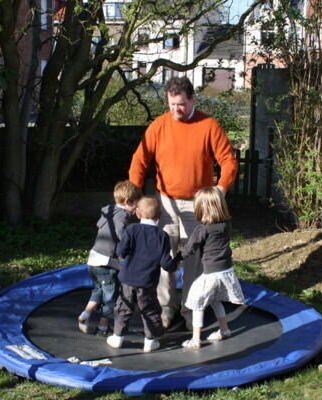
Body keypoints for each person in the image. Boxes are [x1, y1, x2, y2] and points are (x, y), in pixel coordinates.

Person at [128, 76, 238, 329]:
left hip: (197, 205)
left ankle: (191, 310)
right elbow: (139, 160)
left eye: (181, 104)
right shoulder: (159, 126)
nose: (176, 109)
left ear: (192, 100)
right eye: (172, 104)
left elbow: (229, 161)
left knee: (194, 260)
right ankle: (166, 309)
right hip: (165, 203)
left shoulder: (208, 125)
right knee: (164, 256)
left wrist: (220, 190)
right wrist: (135, 195)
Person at [106, 196, 179, 352]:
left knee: (123, 307)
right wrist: (175, 264)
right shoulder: (162, 236)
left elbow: (121, 252)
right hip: (147, 283)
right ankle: (150, 340)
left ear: (138, 213)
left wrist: (123, 254)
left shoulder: (132, 230)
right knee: (150, 310)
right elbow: (166, 263)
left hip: (128, 280)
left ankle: (118, 337)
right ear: (159, 215)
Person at [178, 187, 244, 349]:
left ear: (202, 208)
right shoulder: (225, 225)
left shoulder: (202, 229)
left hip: (211, 273)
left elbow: (189, 249)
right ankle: (224, 329)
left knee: (197, 302)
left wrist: (176, 259)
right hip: (226, 270)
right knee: (215, 299)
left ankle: (195, 339)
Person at [78, 180, 142, 336]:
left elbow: (100, 225)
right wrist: (130, 246)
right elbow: (121, 233)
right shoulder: (123, 216)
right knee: (111, 297)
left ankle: (85, 314)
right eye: (136, 204)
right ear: (128, 202)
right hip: (106, 263)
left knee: (98, 290)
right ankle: (103, 327)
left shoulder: (109, 211)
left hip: (93, 259)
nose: (137, 208)